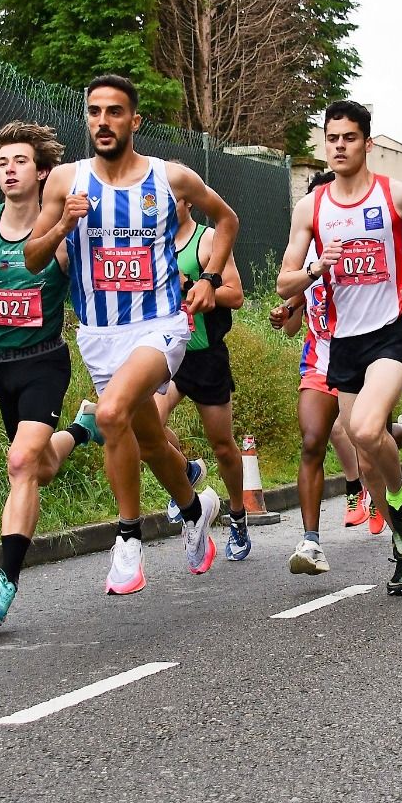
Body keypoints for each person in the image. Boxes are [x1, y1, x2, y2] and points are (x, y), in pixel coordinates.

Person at [24, 74, 238, 595]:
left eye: (114, 112)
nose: (103, 121)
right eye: (94, 111)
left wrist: (210, 279)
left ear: (134, 121)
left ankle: (127, 539)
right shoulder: (65, 183)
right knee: (148, 441)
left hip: (160, 325)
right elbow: (31, 259)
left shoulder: (171, 178)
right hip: (99, 333)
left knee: (112, 413)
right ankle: (195, 508)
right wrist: (61, 228)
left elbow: (227, 219)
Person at [276, 100, 402, 595]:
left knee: (362, 426)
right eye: (332, 138)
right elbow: (283, 282)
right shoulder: (310, 208)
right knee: (362, 443)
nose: (339, 146)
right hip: (344, 341)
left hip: (393, 330)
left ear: (367, 143)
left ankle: (400, 512)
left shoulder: (396, 195)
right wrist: (316, 267)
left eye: (349, 138)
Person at [0, 121, 103, 625]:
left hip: (44, 361)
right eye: (2, 163)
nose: (9, 171)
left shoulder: (61, 239)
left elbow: (93, 293)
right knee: (39, 467)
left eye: (20, 162)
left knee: (19, 461)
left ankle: (4, 585)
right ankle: (81, 429)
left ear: (44, 172)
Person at [272, 170, 402, 575]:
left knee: (372, 440)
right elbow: (290, 320)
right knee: (313, 440)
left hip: (366, 352)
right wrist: (285, 310)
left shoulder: (365, 237)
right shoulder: (305, 255)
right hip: (320, 359)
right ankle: (312, 541)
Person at [152, 192, 251, 560]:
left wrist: (191, 286)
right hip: (166, 354)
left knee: (223, 446)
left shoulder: (207, 240)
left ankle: (238, 516)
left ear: (188, 203)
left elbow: (235, 293)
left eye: (171, 200)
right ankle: (187, 470)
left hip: (205, 355)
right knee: (147, 424)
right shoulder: (150, 243)